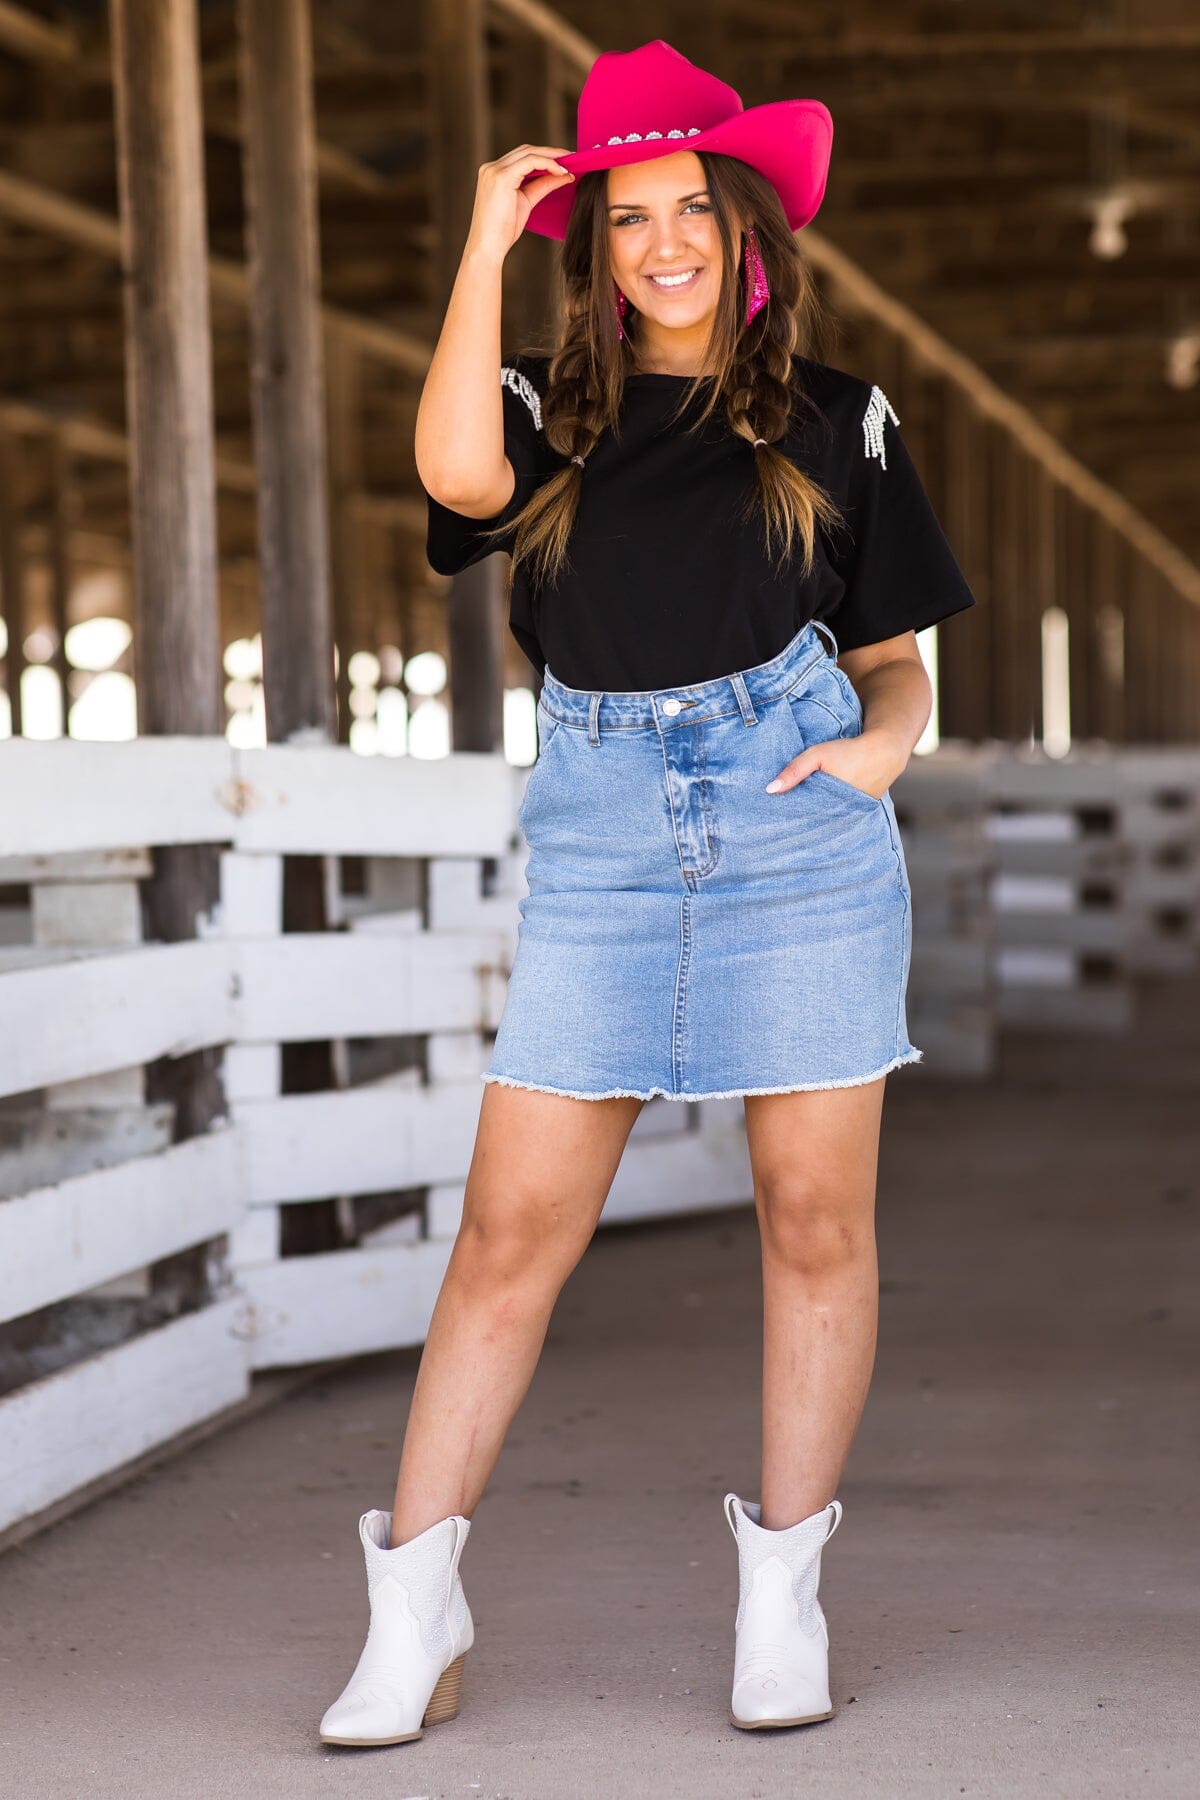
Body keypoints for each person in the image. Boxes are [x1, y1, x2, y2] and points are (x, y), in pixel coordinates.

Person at [318, 38, 976, 1749]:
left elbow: (897, 660)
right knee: (507, 1239)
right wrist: (479, 239)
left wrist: (882, 751)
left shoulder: (841, 418)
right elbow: (456, 480)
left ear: (747, 230)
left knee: (813, 1226)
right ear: (591, 244)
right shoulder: (548, 415)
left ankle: (783, 1605)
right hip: (605, 834)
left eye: (693, 210)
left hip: (797, 831)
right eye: (626, 219)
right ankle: (414, 1610)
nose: (665, 244)